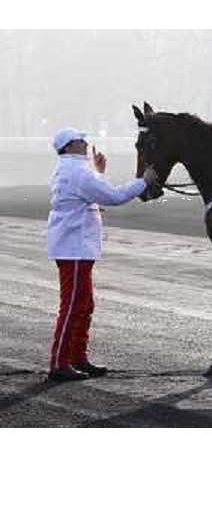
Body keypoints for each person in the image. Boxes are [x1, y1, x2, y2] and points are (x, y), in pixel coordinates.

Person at [47, 127, 157, 381]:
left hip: (75, 246)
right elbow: (114, 196)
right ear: (69, 146)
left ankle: (76, 357)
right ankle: (59, 362)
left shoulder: (72, 169)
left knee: (83, 305)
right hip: (74, 247)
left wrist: (98, 172)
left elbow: (90, 190)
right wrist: (144, 181)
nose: (86, 143)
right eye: (80, 140)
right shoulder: (77, 171)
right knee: (74, 305)